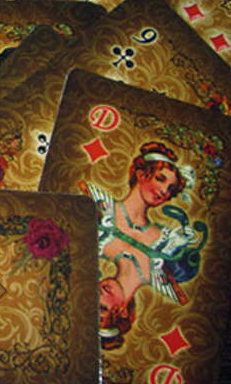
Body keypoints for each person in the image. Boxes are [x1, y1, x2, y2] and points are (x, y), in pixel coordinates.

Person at [81, 141, 207, 350]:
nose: (164, 192)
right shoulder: (164, 271)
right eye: (102, 307)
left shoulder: (100, 234)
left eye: (171, 189)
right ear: (141, 175)